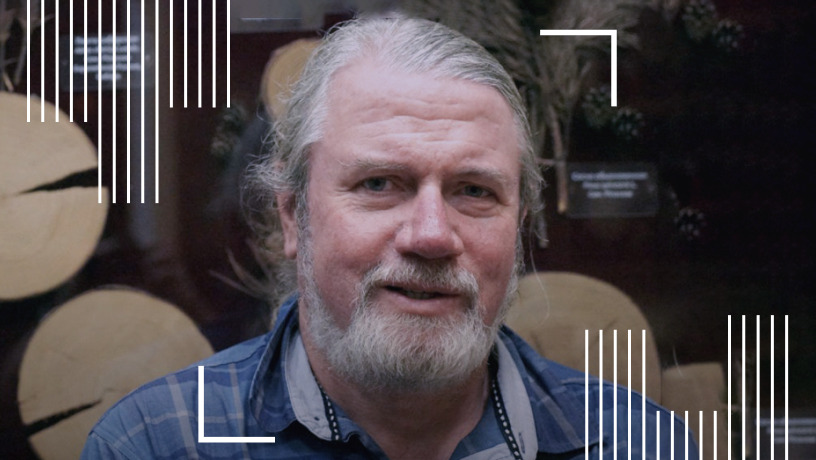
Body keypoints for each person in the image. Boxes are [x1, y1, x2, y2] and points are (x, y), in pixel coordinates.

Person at [81, 15, 697, 460]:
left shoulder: (635, 445)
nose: (431, 236)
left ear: (520, 225)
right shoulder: (162, 442)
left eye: (474, 191)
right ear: (293, 217)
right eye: (379, 183)